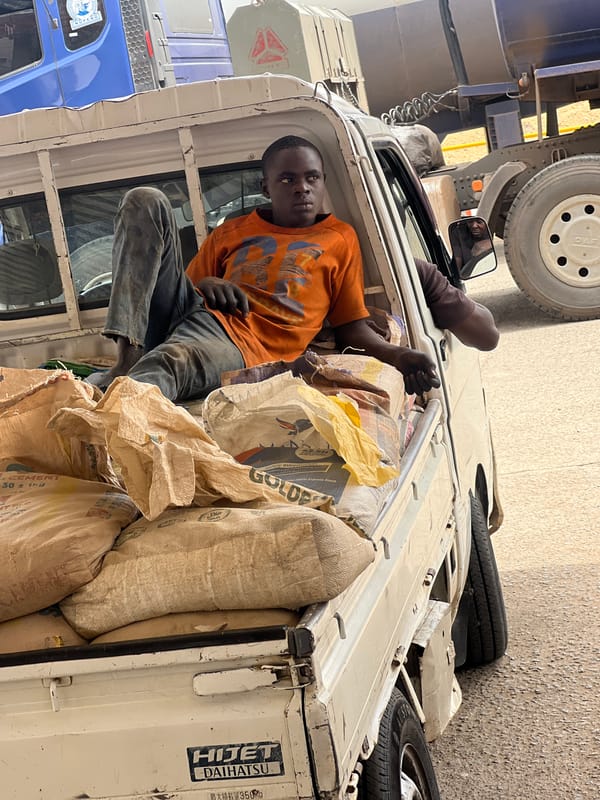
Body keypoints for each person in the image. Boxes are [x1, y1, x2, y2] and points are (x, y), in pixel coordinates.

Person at [87, 136, 493, 400]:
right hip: (194, 319)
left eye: (311, 178)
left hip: (247, 345)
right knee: (145, 199)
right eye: (287, 179)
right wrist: (209, 283)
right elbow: (183, 294)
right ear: (266, 187)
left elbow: (352, 327)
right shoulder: (231, 231)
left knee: (172, 361)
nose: (302, 187)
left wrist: (398, 355)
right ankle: (127, 357)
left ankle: (113, 419)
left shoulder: (339, 239)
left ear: (322, 182)